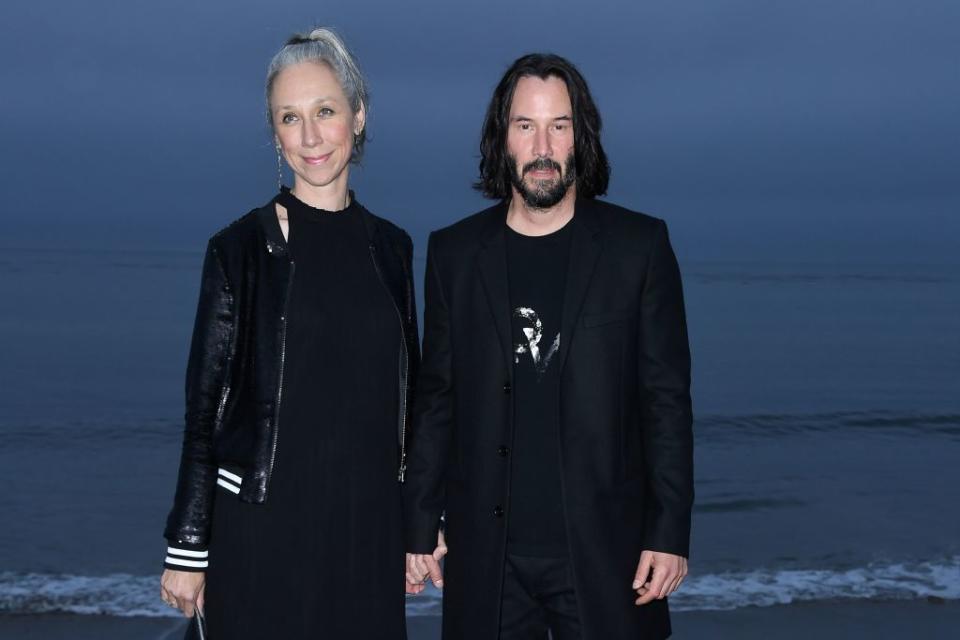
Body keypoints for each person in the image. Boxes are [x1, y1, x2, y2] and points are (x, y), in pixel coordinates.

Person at [403, 53, 693, 639]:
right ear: (500, 138)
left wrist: (669, 532)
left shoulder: (639, 248)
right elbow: (437, 398)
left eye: (559, 126)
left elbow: (665, 401)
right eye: (525, 126)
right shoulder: (454, 256)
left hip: (606, 556)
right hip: (488, 559)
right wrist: (417, 524)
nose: (543, 146)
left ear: (580, 137)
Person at [159, 27, 418, 639]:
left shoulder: (393, 248)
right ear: (274, 132)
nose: (310, 137)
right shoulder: (239, 250)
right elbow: (204, 410)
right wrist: (189, 546)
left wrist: (420, 523)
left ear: (358, 116)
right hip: (264, 529)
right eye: (289, 118)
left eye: (325, 111)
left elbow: (413, 398)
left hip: (368, 533)